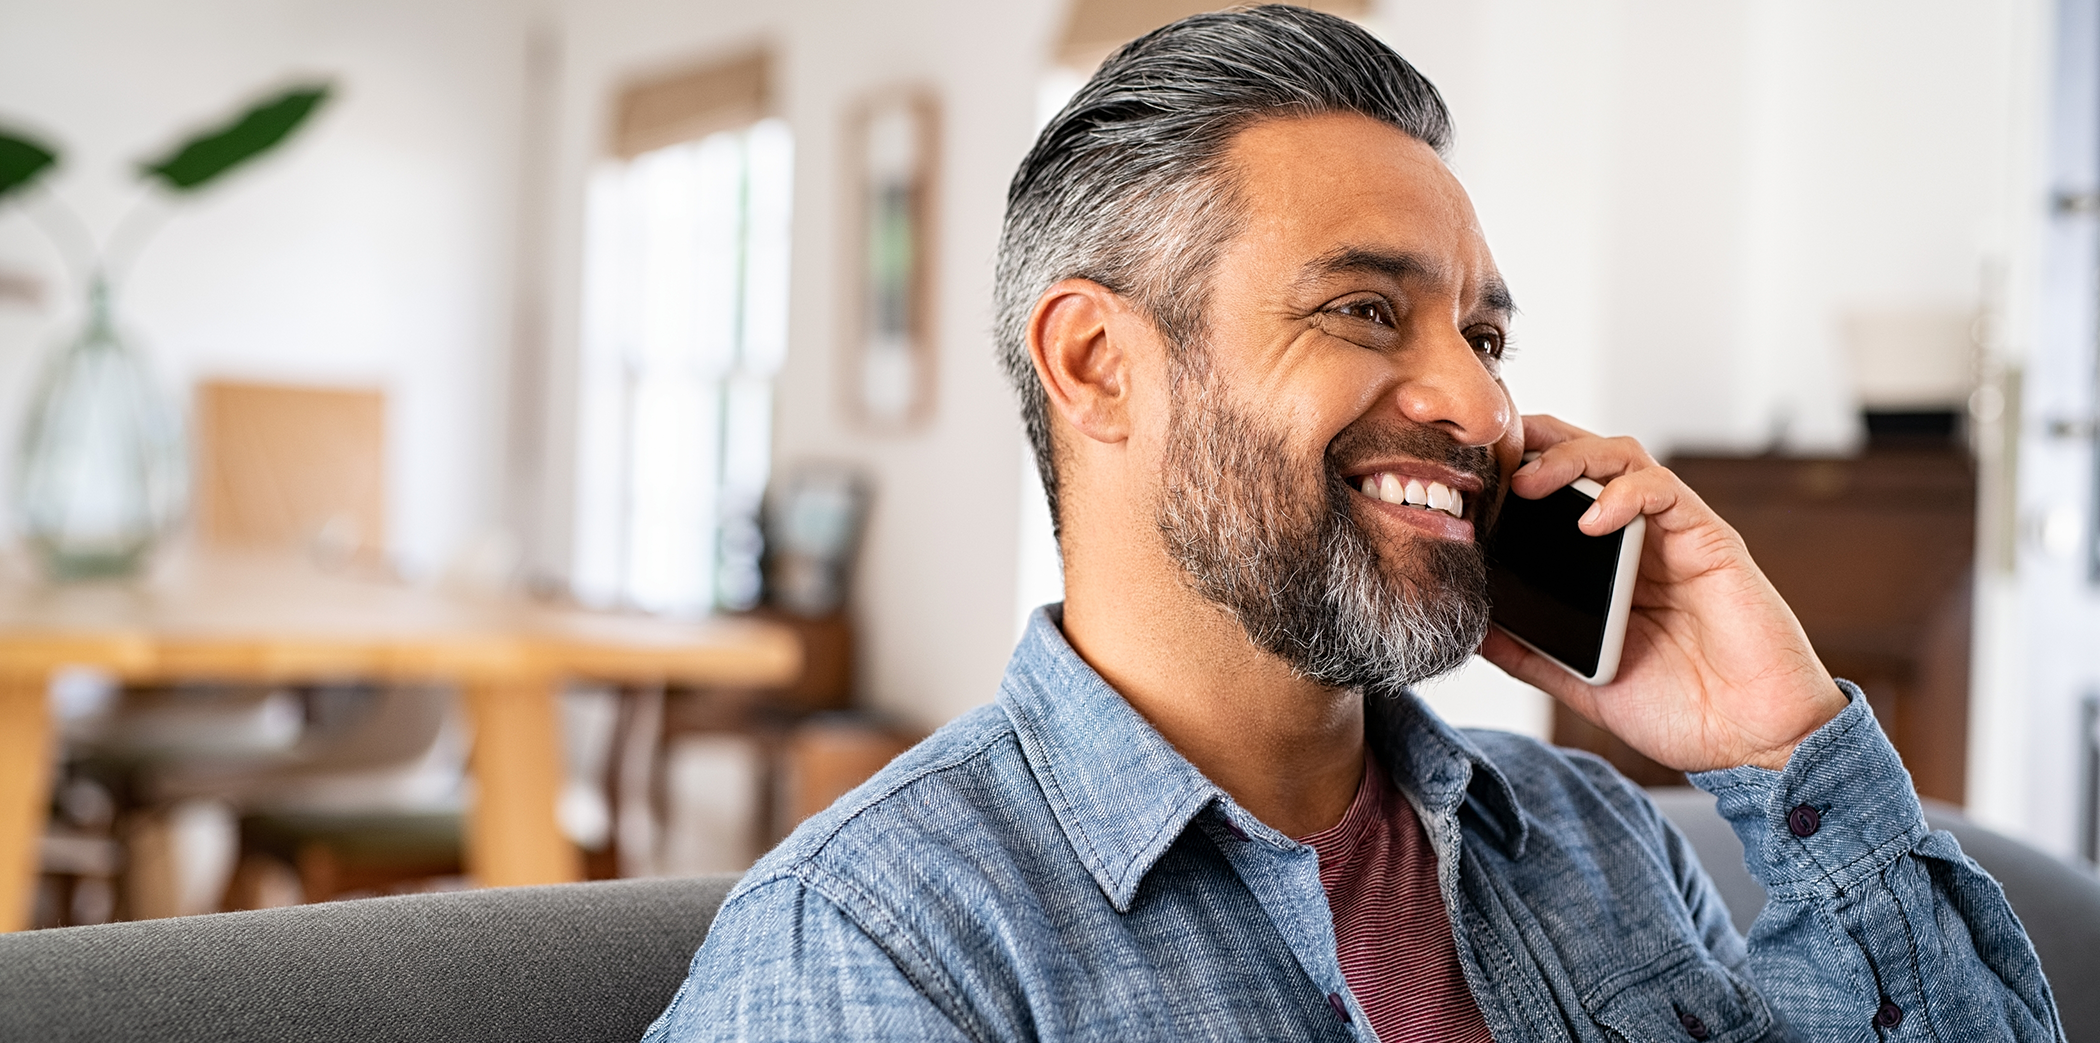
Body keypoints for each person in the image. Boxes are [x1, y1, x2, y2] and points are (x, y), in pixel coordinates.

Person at [645, 7, 2062, 1041]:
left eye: (1487, 335)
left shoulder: (1597, 841)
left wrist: (1781, 738)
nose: (1481, 406)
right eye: (1365, 310)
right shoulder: (884, 949)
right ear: (1097, 365)